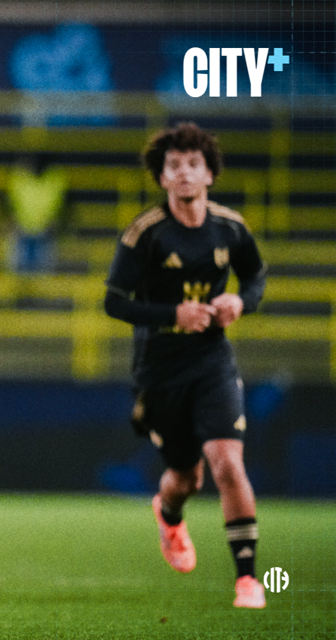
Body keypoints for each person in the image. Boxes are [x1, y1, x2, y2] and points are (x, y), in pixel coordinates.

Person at [104, 122, 267, 609]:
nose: (184, 174)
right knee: (187, 478)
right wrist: (172, 314)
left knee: (228, 462)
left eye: (193, 164)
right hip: (160, 370)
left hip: (213, 361)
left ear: (210, 174)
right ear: (162, 177)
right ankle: (169, 514)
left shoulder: (231, 228)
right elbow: (114, 302)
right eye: (174, 166)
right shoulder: (146, 234)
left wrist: (242, 300)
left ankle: (247, 579)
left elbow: (255, 274)